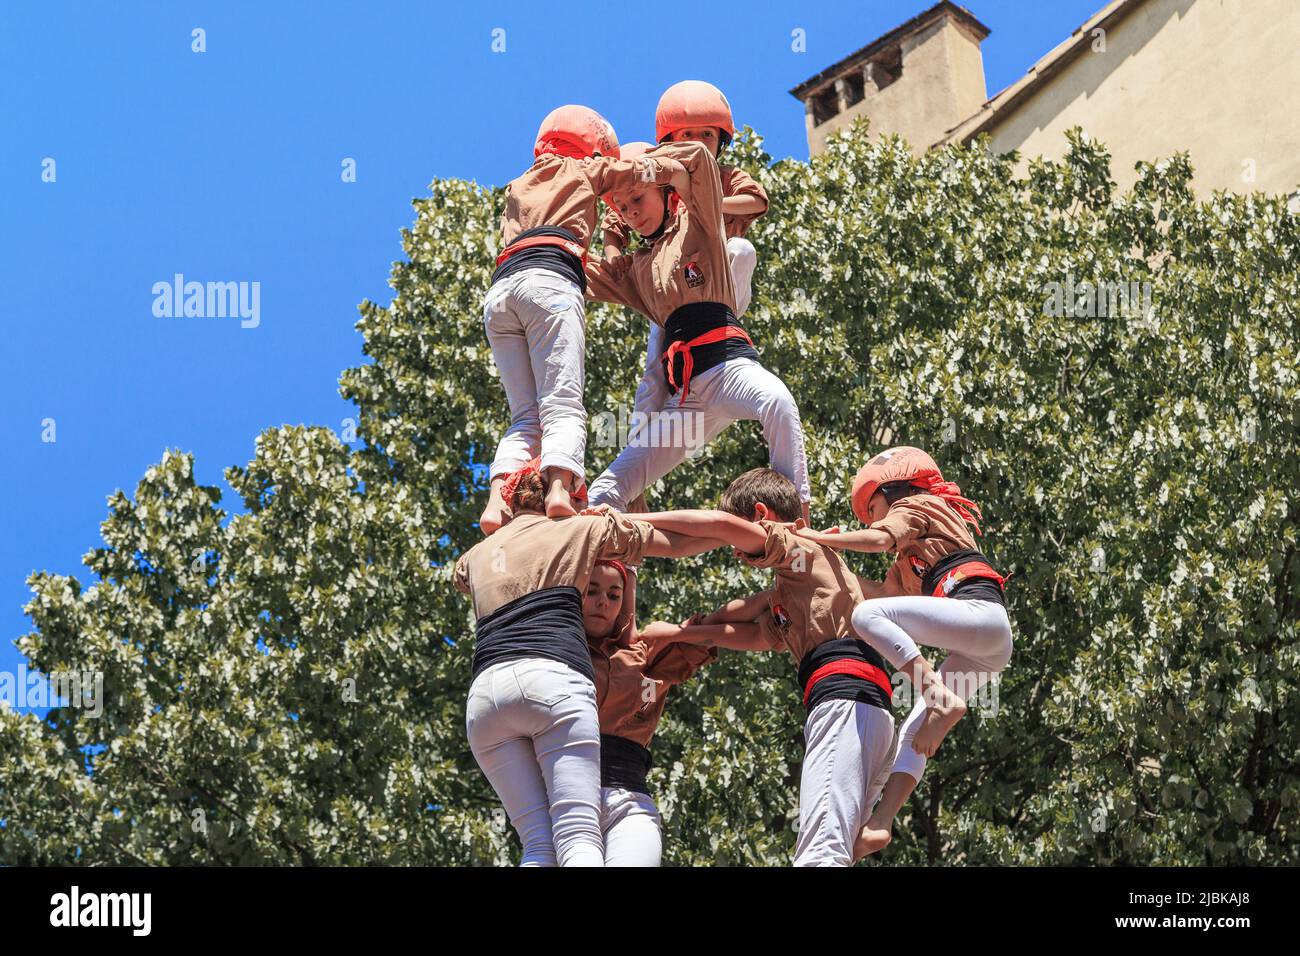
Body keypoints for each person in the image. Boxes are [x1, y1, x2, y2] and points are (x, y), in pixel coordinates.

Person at [629, 467, 897, 866]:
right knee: (835, 848)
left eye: (739, 540)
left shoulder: (798, 546)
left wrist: (630, 522)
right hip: (869, 708)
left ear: (760, 516)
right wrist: (680, 634)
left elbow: (718, 525)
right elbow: (749, 634)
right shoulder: (799, 585)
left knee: (819, 852)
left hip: (844, 701)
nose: (736, 553)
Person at [453, 459, 707, 865]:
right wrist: (742, 536)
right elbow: (668, 541)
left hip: (486, 700)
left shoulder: (481, 552)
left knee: (539, 843)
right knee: (577, 836)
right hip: (550, 682)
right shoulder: (579, 529)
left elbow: (465, 574)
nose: (603, 601)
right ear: (567, 495)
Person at [793, 446, 1013, 858]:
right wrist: (823, 561)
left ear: (893, 490)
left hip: (980, 613)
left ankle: (938, 696)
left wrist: (819, 537)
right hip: (984, 648)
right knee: (914, 734)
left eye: (873, 507)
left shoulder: (919, 505)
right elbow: (878, 594)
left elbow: (878, 542)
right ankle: (881, 823)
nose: (871, 519)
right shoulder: (910, 561)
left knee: (865, 618)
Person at [479, 105, 688, 533]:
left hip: (500, 294)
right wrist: (679, 165)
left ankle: (497, 502)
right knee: (563, 403)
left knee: (525, 417)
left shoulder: (516, 185)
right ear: (591, 150)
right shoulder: (582, 172)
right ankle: (559, 490)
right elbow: (632, 174)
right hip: (549, 284)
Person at [585, 140, 811, 522]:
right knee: (604, 492)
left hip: (728, 368)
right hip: (686, 400)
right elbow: (576, 271)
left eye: (638, 198)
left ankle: (798, 523)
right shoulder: (636, 267)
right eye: (623, 208)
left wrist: (638, 167)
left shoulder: (699, 223)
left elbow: (698, 161)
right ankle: (613, 572)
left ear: (665, 190)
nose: (632, 212)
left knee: (778, 403)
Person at [582, 558, 717, 865]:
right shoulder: (555, 650)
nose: (603, 601)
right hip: (568, 798)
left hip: (629, 801)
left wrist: (774, 594)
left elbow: (712, 630)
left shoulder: (644, 654)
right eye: (591, 591)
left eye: (614, 595)